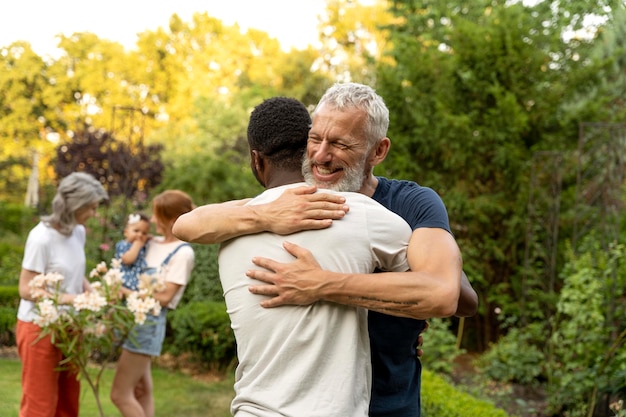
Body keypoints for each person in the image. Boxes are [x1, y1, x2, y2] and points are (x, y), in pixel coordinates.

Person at [174, 84, 478, 416]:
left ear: (378, 151)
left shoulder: (407, 204)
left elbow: (450, 295)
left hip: (389, 402)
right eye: (315, 139)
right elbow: (187, 224)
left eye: (340, 144)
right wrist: (263, 215)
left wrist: (322, 285)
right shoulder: (291, 205)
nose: (320, 155)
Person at [16, 171, 108, 417]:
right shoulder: (41, 237)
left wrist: (91, 292)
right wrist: (70, 298)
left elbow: (73, 274)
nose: (94, 214)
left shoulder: (77, 232)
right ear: (74, 205)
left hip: (70, 326)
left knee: (68, 405)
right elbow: (26, 288)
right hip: (40, 328)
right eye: (91, 208)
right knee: (40, 406)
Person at [110, 190, 195, 417]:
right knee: (141, 391)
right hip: (130, 318)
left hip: (146, 325)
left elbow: (166, 297)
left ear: (171, 219)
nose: (153, 220)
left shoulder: (183, 253)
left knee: (119, 395)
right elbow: (126, 254)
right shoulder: (150, 242)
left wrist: (126, 292)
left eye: (158, 215)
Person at [115, 212, 151, 291]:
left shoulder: (141, 244)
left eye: (144, 233)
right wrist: (137, 245)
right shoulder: (123, 245)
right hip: (125, 282)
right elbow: (127, 260)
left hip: (138, 282)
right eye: (136, 231)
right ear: (126, 232)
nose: (140, 235)